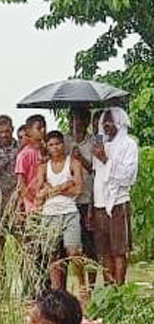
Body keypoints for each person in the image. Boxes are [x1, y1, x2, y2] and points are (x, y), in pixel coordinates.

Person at [91, 107, 141, 284]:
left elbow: (128, 177)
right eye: (104, 121)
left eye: (111, 120)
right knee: (104, 251)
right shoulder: (99, 143)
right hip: (99, 203)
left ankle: (118, 291)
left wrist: (106, 159)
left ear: (120, 122)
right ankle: (107, 290)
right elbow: (96, 174)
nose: (106, 125)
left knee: (118, 250)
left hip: (118, 202)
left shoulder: (129, 144)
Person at [34, 131, 85, 291]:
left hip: (69, 211)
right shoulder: (44, 167)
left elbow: (78, 189)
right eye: (51, 145)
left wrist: (54, 190)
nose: (55, 147)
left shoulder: (73, 163)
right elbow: (39, 192)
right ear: (47, 147)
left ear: (63, 144)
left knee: (74, 253)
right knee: (52, 254)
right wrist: (64, 185)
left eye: (58, 143)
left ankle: (81, 289)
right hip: (50, 214)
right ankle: (57, 291)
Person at [69, 107, 98, 292]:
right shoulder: (64, 141)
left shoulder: (95, 141)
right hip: (70, 201)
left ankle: (93, 286)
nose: (76, 123)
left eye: (80, 119)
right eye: (73, 119)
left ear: (87, 122)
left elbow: (99, 170)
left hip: (90, 198)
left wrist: (82, 160)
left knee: (91, 248)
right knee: (74, 248)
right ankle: (81, 287)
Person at [14, 114, 47, 218]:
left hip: (49, 201)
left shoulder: (48, 150)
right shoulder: (24, 154)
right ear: (28, 131)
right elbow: (21, 183)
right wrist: (32, 202)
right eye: (38, 128)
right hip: (33, 205)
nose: (43, 130)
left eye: (44, 127)